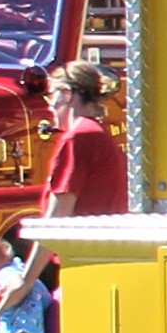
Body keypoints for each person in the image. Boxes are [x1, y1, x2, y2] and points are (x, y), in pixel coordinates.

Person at [23, 57, 124, 290]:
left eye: (51, 96)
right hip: (99, 262)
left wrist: (24, 283)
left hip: (83, 265)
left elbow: (56, 220)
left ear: (67, 94)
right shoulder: (95, 133)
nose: (49, 105)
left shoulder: (79, 137)